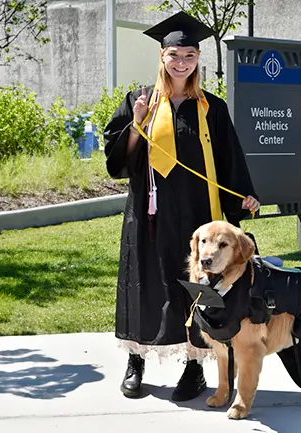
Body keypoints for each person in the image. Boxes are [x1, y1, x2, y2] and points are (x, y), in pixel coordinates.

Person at [103, 11, 261, 401]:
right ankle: (135, 362)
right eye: (175, 53)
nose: (182, 62)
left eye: (189, 55)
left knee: (195, 286)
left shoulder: (211, 108)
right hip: (149, 215)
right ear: (162, 56)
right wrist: (137, 123)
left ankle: (195, 367)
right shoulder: (141, 99)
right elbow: (117, 160)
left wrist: (242, 195)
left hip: (196, 216)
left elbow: (229, 158)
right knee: (145, 284)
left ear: (197, 60)